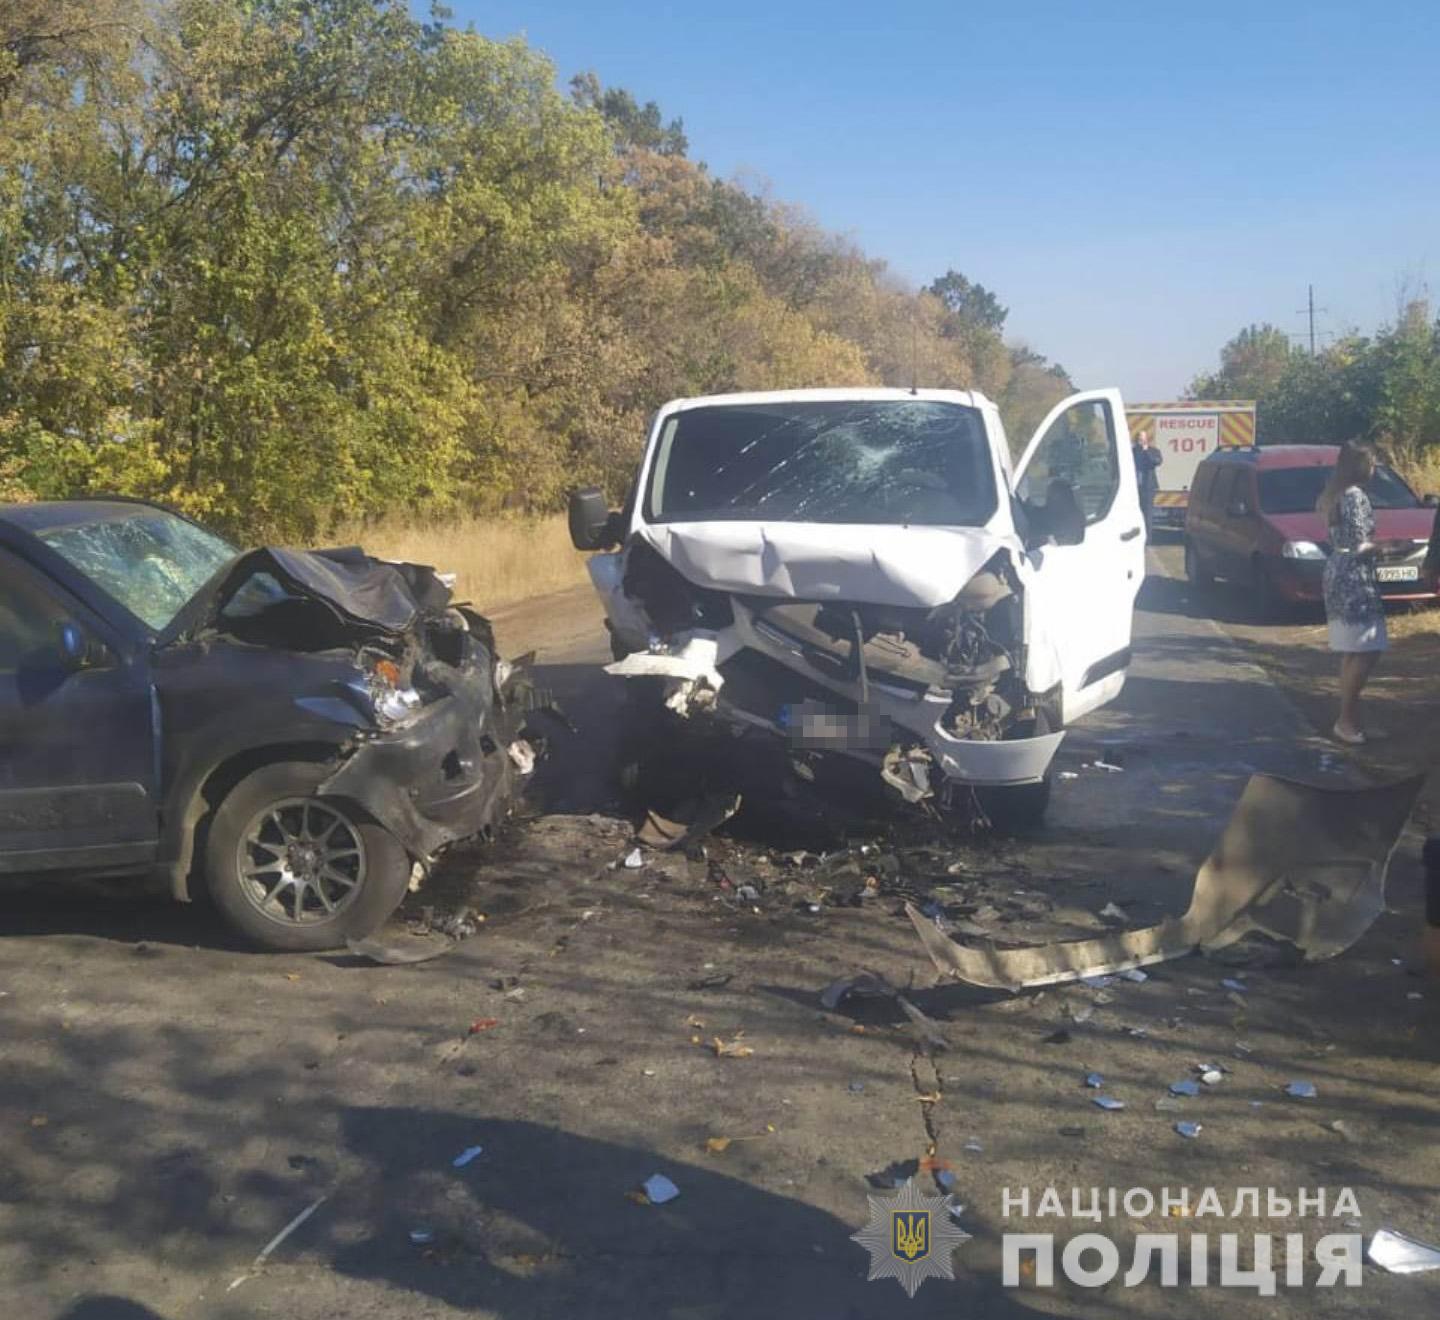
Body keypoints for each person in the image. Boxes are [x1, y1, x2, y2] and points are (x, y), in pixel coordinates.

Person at [1317, 441, 1386, 744]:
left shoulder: (1334, 494)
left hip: (1337, 570)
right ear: (1360, 466)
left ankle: (1349, 719)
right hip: (1355, 576)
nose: (1375, 467)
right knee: (1368, 648)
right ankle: (1346, 721)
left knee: (1353, 650)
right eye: (1372, 462)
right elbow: (1360, 544)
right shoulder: (1355, 495)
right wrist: (1388, 547)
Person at [1131, 431, 1162, 537]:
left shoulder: (1153, 451)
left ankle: (1147, 538)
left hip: (1148, 488)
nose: (1140, 441)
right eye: (1139, 439)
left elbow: (1156, 462)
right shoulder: (1132, 452)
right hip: (1134, 488)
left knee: (1147, 513)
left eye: (1142, 439)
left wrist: (1146, 451)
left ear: (1146, 440)